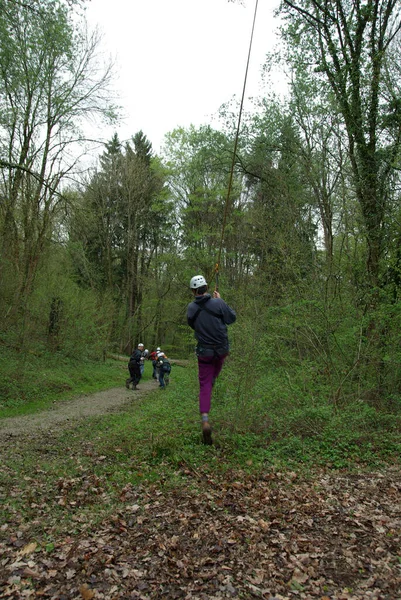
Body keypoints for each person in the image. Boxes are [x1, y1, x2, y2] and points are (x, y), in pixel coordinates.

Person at [187, 274, 236, 445]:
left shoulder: (191, 308)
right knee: (214, 372)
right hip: (222, 350)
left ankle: (205, 420)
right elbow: (232, 318)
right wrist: (221, 301)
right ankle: (213, 379)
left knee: (205, 385)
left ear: (194, 291)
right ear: (206, 288)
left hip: (205, 352)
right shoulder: (218, 303)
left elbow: (192, 324)